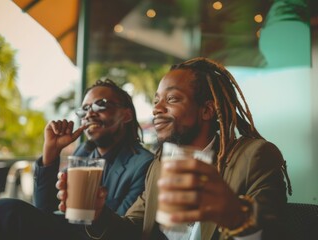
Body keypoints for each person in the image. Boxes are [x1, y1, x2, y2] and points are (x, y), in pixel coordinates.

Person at [56, 57, 291, 240]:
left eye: (172, 99)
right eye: (156, 100)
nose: (157, 109)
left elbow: (272, 233)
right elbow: (133, 231)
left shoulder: (256, 157)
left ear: (207, 110)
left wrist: (233, 212)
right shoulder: (159, 166)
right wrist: (98, 216)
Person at [0, 79, 154, 240]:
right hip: (66, 231)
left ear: (127, 115)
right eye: (85, 109)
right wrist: (51, 152)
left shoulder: (143, 164)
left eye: (101, 104)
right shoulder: (84, 154)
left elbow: (122, 230)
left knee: (4, 210)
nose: (89, 114)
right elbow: (44, 209)